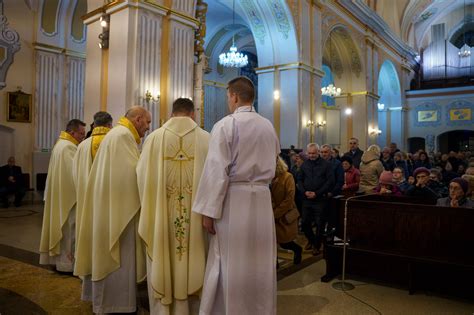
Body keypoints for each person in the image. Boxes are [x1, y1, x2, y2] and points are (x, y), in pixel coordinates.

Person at [192, 77, 280, 315]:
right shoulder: (268, 126)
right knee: (259, 261)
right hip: (261, 199)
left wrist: (208, 212)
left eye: (227, 97)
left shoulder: (226, 125)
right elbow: (275, 163)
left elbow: (215, 171)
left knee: (230, 260)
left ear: (234, 96)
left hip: (234, 201)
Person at [137, 98, 209, 314]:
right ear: (192, 114)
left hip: (162, 216)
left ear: (172, 113)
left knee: (165, 253)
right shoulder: (206, 139)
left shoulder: (154, 138)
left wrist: (153, 202)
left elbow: (141, 176)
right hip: (196, 217)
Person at [77, 106, 150, 314]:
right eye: (147, 122)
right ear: (137, 119)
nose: (147, 128)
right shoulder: (123, 136)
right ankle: (115, 304)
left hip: (109, 205)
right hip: (118, 211)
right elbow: (132, 176)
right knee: (118, 256)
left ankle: (105, 302)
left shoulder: (117, 133)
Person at [72, 111, 113, 301]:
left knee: (88, 243)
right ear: (109, 125)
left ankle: (88, 285)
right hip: (106, 207)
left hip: (85, 204)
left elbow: (75, 175)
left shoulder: (81, 145)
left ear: (94, 125)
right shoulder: (112, 143)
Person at [39, 119, 86, 272]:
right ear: (72, 132)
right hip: (69, 198)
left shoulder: (61, 145)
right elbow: (76, 174)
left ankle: (62, 263)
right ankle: (67, 265)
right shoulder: (68, 148)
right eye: (81, 133)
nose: (82, 137)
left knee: (66, 230)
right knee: (69, 231)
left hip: (61, 194)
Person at [297, 143, 334, 255]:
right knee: (304, 223)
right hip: (307, 199)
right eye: (309, 153)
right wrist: (304, 192)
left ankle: (316, 246)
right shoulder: (304, 165)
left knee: (320, 224)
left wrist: (317, 193)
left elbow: (330, 182)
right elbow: (299, 180)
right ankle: (313, 241)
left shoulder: (326, 165)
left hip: (320, 199)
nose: (311, 155)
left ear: (318, 152)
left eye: (314, 153)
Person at [271, 157, 302, 265]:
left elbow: (289, 199)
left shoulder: (287, 177)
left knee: (285, 242)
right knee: (271, 242)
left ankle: (298, 250)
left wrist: (275, 213)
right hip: (270, 214)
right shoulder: (266, 178)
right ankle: (275, 264)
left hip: (284, 214)